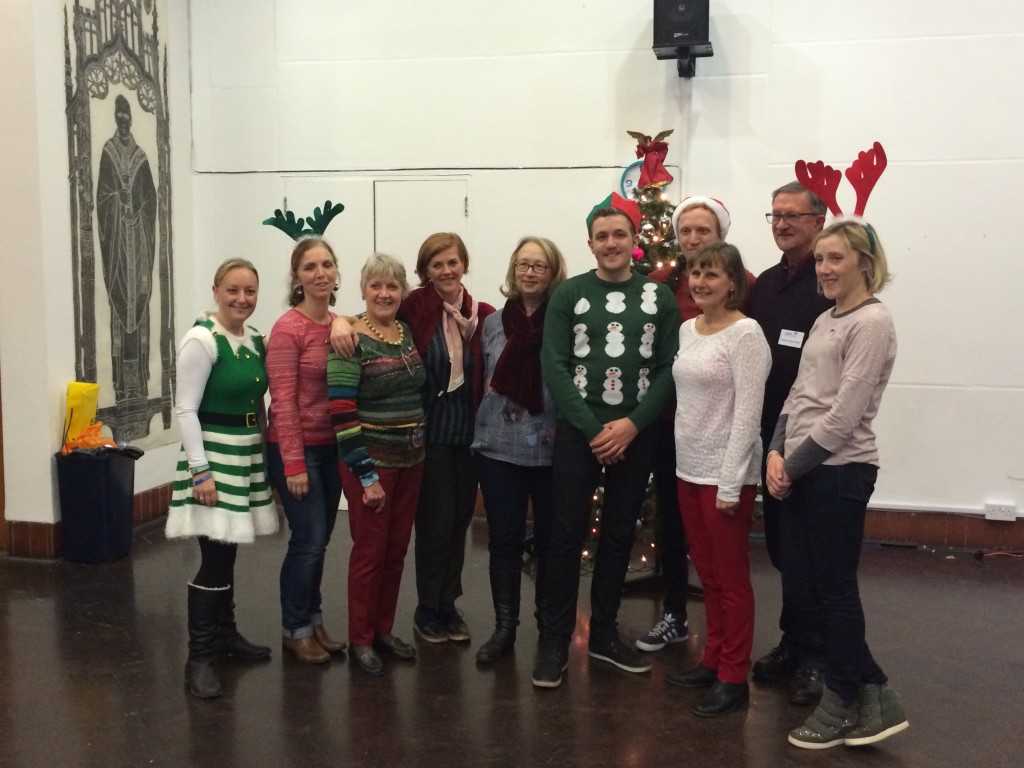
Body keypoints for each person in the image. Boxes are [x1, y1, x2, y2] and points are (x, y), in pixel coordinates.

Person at [765, 220, 906, 749]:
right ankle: (876, 690)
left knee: (836, 590)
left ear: (864, 263)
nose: (823, 268)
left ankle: (842, 696)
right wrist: (777, 452)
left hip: (841, 472)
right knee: (806, 589)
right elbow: (799, 394)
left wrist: (791, 466)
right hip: (802, 468)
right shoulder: (825, 317)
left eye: (835, 259)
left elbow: (844, 416)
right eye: (820, 259)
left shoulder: (871, 324)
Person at [531, 194, 680, 689]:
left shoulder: (658, 298)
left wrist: (633, 425)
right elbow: (554, 365)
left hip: (636, 433)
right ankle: (555, 639)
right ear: (591, 243)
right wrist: (594, 429)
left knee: (619, 532)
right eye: (602, 236)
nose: (611, 243)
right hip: (581, 434)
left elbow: (666, 368)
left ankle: (604, 633)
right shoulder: (569, 295)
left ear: (634, 241)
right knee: (566, 534)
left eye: (620, 234)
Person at [662, 242, 770, 717]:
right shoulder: (689, 329)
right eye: (695, 274)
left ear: (733, 283)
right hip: (687, 466)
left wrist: (731, 482)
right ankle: (712, 658)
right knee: (707, 575)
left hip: (726, 476)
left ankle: (733, 674)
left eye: (712, 275)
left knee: (731, 579)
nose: (701, 282)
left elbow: (748, 414)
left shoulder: (746, 334)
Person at [166, 258, 278, 699]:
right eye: (233, 290)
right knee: (213, 559)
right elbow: (185, 410)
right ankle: (200, 657)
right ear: (216, 291)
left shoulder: (253, 340)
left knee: (227, 554)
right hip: (212, 459)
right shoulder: (202, 339)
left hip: (244, 455)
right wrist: (200, 471)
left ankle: (226, 635)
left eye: (250, 291)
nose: (242, 299)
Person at [747, 181, 834, 705]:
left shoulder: (828, 282)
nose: (781, 224)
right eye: (775, 215)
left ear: (818, 221)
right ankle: (793, 640)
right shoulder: (766, 285)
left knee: (811, 552)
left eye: (792, 216)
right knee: (782, 548)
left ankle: (818, 655)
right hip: (769, 436)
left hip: (814, 440)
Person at [638, 195, 735, 653]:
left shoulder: (741, 284)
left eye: (704, 231)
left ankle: (726, 631)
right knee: (674, 523)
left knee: (717, 532)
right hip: (666, 422)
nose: (693, 240)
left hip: (715, 427)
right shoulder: (661, 282)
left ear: (720, 235)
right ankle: (674, 613)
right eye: (686, 231)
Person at [326, 254, 426, 676]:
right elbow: (342, 412)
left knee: (397, 550)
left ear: (402, 291)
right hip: (371, 465)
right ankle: (361, 639)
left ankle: (383, 630)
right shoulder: (349, 339)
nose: (384, 294)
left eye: (392, 286)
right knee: (369, 553)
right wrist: (367, 476)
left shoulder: (404, 332)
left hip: (412, 461)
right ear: (363, 290)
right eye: (376, 286)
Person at [471, 237, 568, 664]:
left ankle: (549, 631)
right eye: (523, 264)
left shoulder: (565, 321)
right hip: (497, 448)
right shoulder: (493, 323)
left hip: (553, 450)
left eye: (540, 266)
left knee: (550, 544)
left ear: (553, 273)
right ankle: (505, 627)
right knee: (504, 543)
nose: (530, 272)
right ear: (513, 270)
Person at [401, 233, 495, 643]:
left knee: (459, 522)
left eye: (452, 262)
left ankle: (448, 604)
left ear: (464, 264)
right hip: (431, 435)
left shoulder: (482, 314)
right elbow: (370, 319)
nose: (446, 270)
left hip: (468, 435)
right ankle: (427, 607)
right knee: (435, 524)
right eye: (436, 264)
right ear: (425, 271)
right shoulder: (414, 309)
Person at [266, 237, 346, 664]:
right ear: (297, 276)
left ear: (336, 272)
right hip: (295, 452)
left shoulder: (338, 323)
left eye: (327, 265)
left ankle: (313, 622)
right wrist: (293, 464)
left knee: (321, 540)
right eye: (310, 266)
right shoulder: (287, 330)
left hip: (331, 450)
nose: (320, 273)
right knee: (308, 540)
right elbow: (282, 403)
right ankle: (294, 629)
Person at [96, 94, 157, 407]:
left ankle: (141, 385)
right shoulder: (107, 153)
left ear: (130, 119)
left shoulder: (141, 157)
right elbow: (102, 197)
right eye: (118, 116)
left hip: (138, 246)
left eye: (126, 116)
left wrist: (138, 210)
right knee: (120, 312)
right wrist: (118, 204)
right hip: (119, 248)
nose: (122, 121)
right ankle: (120, 385)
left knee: (140, 311)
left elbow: (151, 203)